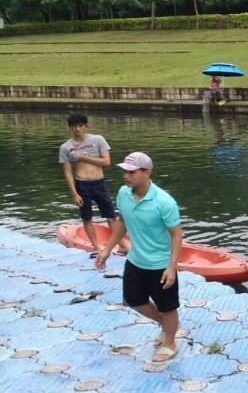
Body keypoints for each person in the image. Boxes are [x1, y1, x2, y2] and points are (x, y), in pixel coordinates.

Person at [94, 152, 182, 362]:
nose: (126, 176)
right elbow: (122, 222)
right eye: (125, 171)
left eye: (132, 172)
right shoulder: (124, 194)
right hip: (135, 260)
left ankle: (170, 343)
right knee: (133, 300)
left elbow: (176, 234)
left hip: (160, 263)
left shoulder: (164, 202)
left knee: (168, 306)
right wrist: (106, 250)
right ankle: (167, 325)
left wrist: (172, 267)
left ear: (147, 172)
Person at [58, 113, 127, 257]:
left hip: (99, 183)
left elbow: (106, 162)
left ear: (86, 125)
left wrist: (83, 157)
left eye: (81, 126)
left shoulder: (97, 140)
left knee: (111, 216)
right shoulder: (66, 147)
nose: (78, 129)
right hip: (82, 185)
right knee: (87, 217)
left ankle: (122, 246)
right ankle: (96, 247)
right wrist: (74, 193)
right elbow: (67, 172)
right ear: (70, 127)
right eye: (74, 126)